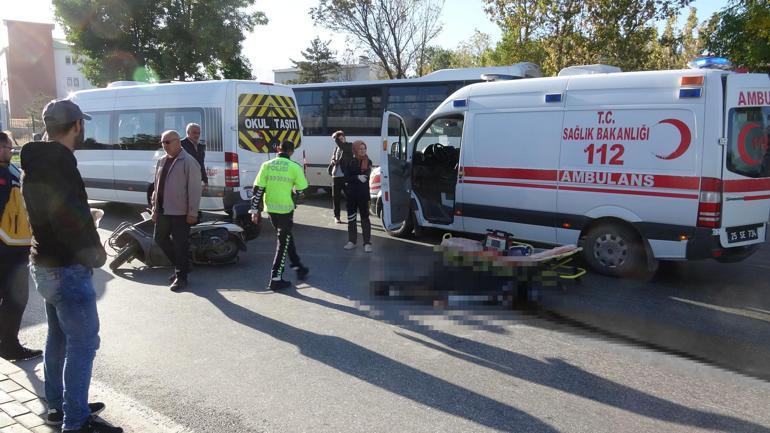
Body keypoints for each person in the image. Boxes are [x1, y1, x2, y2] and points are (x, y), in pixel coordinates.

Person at [20, 99, 122, 433]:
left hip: (44, 264)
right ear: (77, 125)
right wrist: (95, 253)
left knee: (59, 339)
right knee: (84, 344)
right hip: (66, 269)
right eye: (83, 124)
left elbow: (52, 214)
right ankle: (75, 421)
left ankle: (58, 406)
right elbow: (67, 220)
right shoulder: (61, 163)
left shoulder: (35, 160)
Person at [0, 131, 42, 362]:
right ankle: (9, 346)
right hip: (7, 247)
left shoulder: (11, 170)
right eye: (7, 147)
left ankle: (7, 343)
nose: (11, 150)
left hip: (16, 245)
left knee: (13, 298)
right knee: (16, 298)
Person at [250, 141, 309, 290]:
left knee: (286, 237)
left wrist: (254, 211)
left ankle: (298, 266)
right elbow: (302, 193)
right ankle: (276, 278)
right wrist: (295, 200)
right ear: (292, 152)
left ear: (278, 149)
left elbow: (258, 189)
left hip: (271, 209)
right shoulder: (295, 167)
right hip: (286, 210)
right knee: (283, 242)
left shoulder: (266, 165)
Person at [151, 130, 202, 292]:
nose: (164, 145)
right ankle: (184, 265)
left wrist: (192, 212)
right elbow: (156, 186)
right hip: (163, 210)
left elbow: (195, 189)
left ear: (178, 142)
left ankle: (181, 277)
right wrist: (154, 208)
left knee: (180, 245)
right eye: (162, 142)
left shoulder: (188, 161)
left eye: (167, 142)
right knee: (159, 238)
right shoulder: (161, 161)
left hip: (181, 212)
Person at [343, 140, 373, 252]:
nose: (363, 150)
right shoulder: (350, 161)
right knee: (351, 219)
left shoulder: (368, 161)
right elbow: (346, 177)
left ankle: (367, 243)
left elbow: (366, 176)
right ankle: (352, 241)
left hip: (364, 195)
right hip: (351, 195)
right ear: (355, 149)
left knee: (365, 219)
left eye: (364, 148)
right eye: (360, 149)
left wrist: (356, 177)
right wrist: (356, 177)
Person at [329, 130, 353, 224]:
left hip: (345, 176)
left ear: (345, 138)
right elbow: (333, 157)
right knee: (336, 198)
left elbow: (342, 146)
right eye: (339, 139)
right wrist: (333, 161)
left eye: (342, 138)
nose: (340, 140)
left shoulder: (349, 146)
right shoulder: (336, 148)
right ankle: (337, 216)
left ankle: (351, 215)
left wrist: (335, 137)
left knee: (350, 197)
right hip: (336, 176)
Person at [180, 123, 208, 192]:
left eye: (199, 133)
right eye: (194, 133)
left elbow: (201, 164)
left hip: (196, 180)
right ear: (188, 133)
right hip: (183, 181)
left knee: (194, 201)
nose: (197, 135)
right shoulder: (180, 144)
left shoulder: (200, 147)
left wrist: (205, 180)